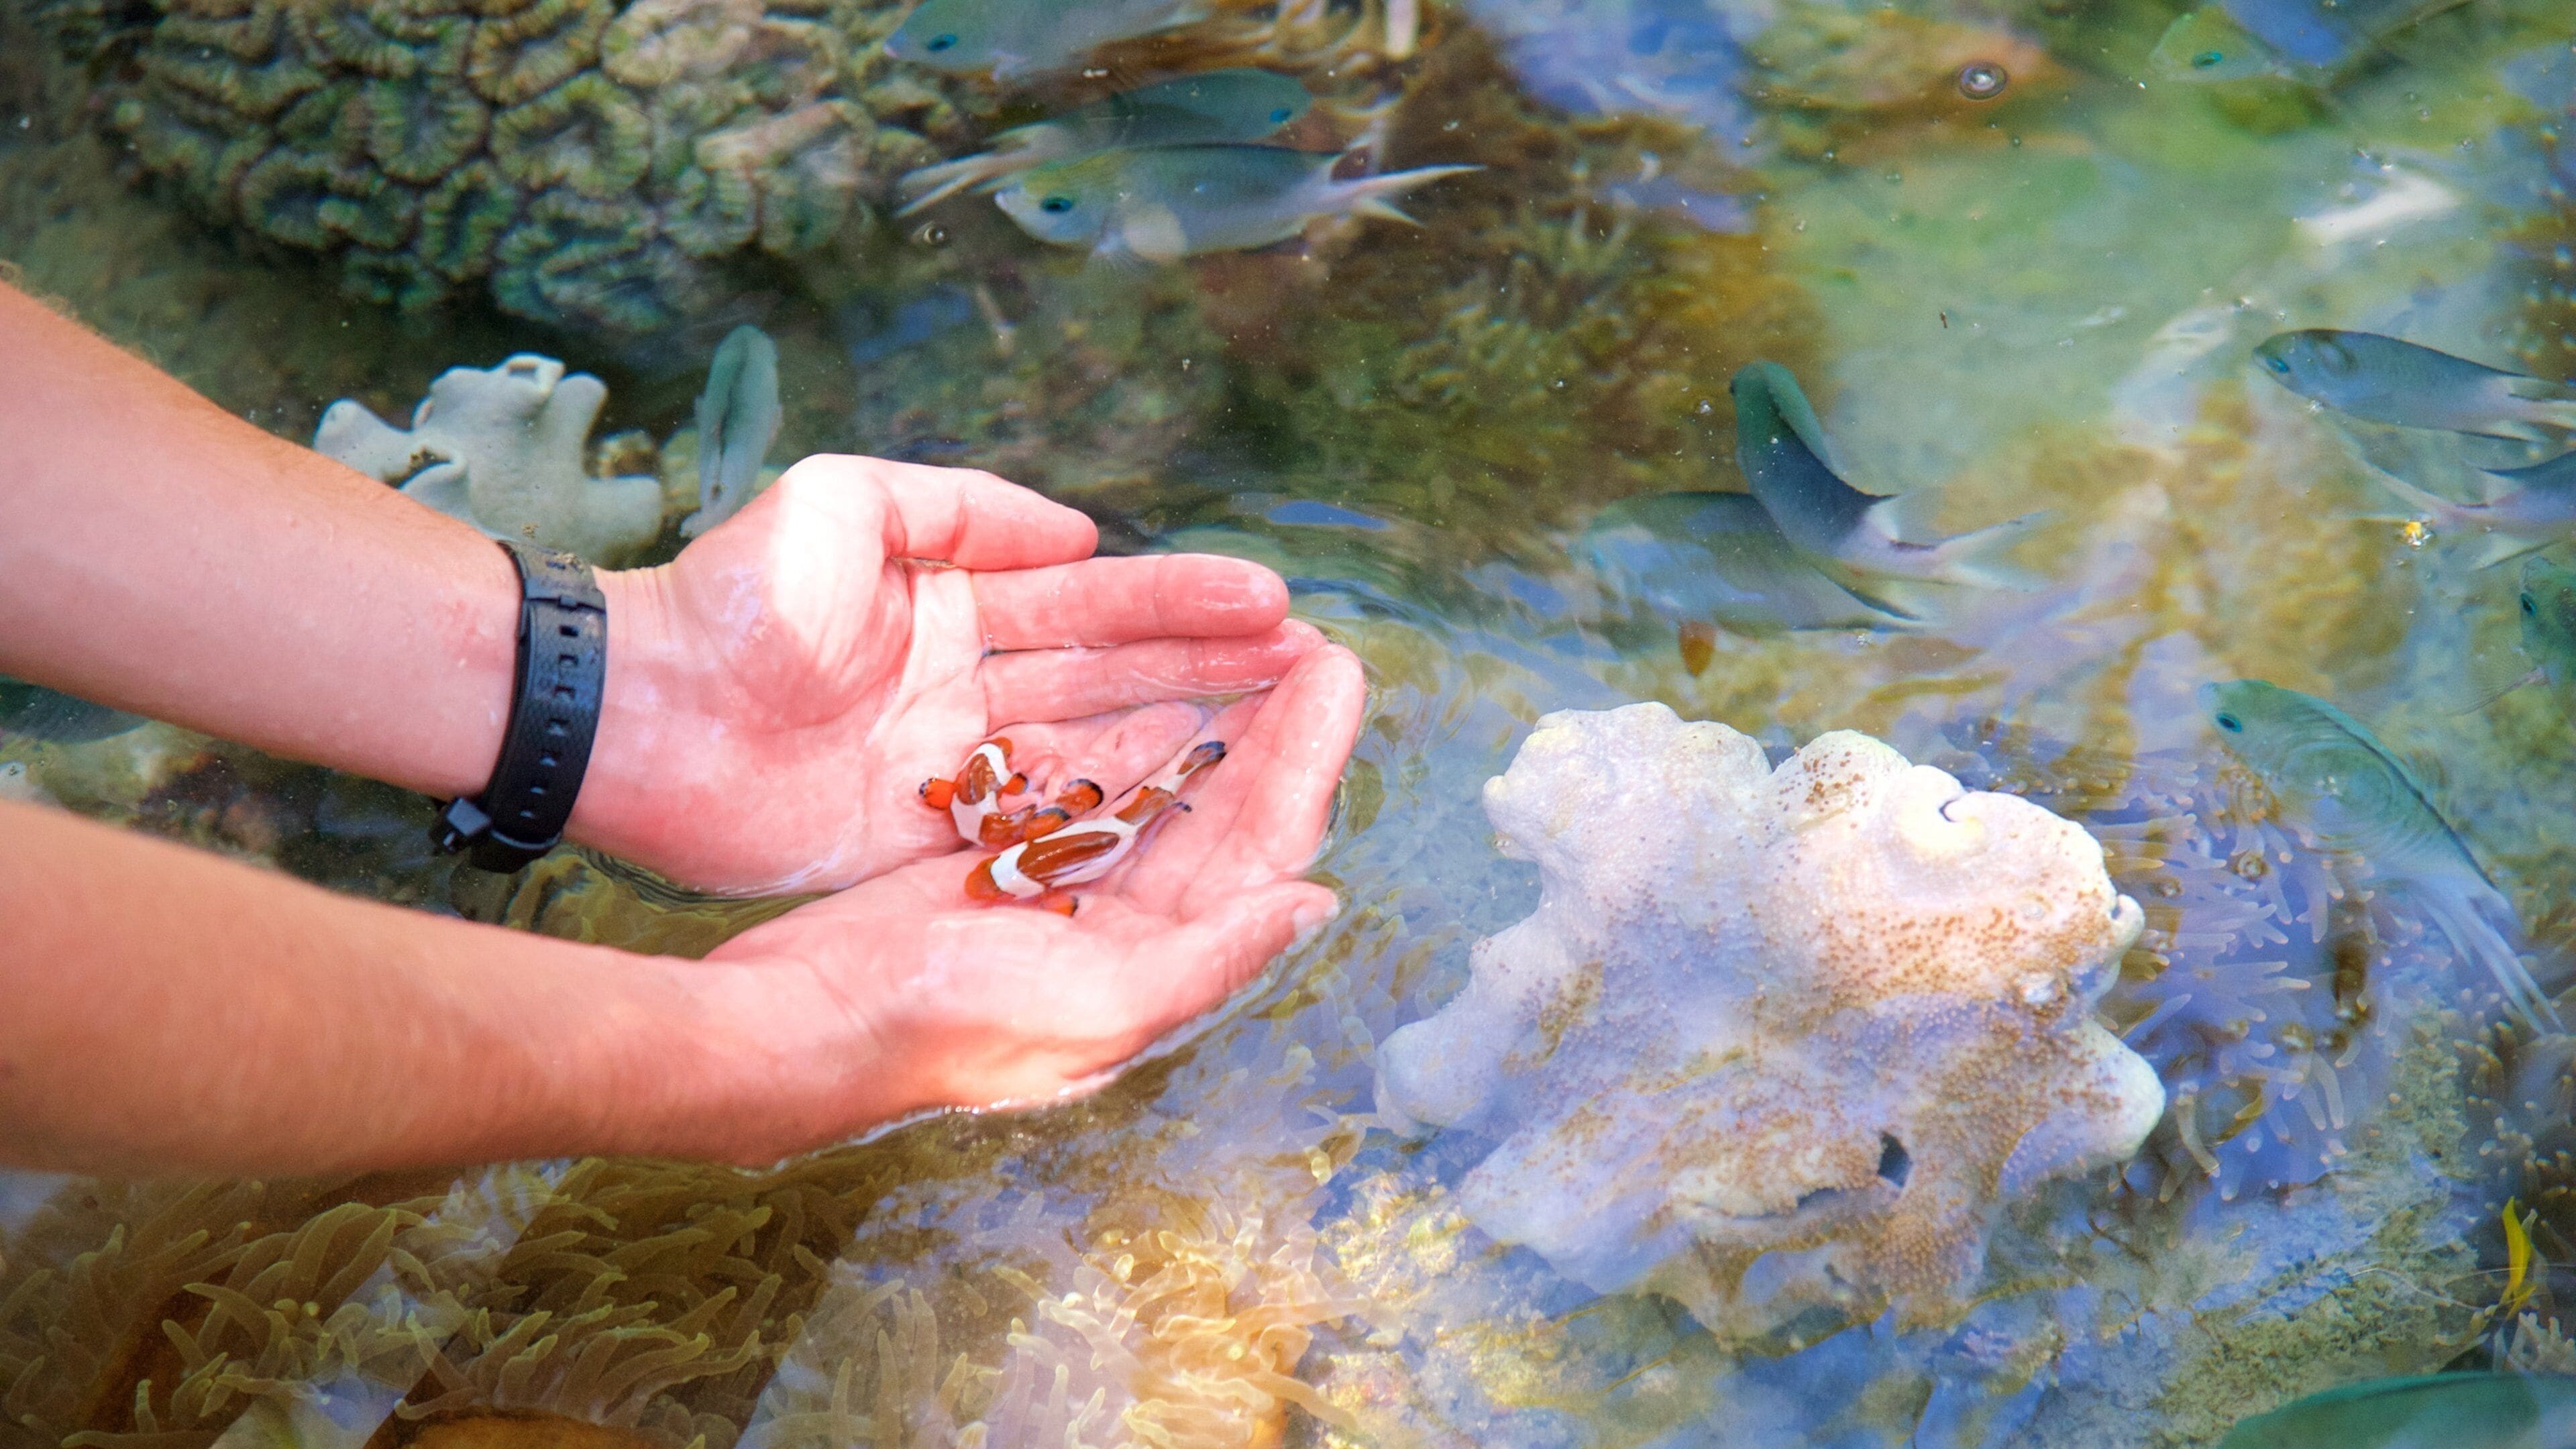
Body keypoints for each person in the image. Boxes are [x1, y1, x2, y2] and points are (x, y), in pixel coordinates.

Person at [0, 279, 1365, 1180]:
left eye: (985, 795)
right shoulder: (998, 819)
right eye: (987, 793)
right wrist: (774, 1037)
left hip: (1034, 850)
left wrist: (623, 684)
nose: (978, 790)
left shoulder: (1003, 819)